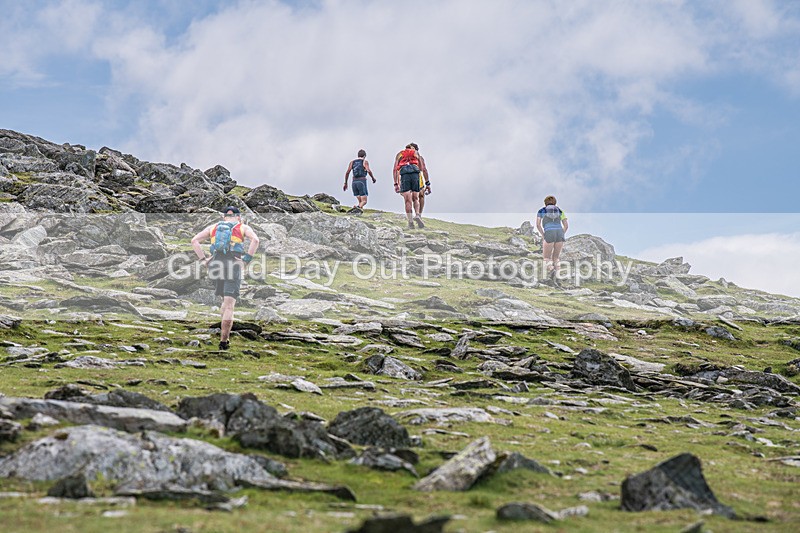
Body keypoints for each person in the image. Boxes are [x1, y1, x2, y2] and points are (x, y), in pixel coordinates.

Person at [191, 206, 260, 350]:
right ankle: (224, 341)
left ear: (224, 217)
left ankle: (223, 327)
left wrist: (203, 260)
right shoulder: (242, 227)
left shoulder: (213, 227)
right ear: (238, 217)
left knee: (224, 299)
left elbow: (194, 241)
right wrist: (246, 260)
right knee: (229, 305)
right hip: (233, 265)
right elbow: (255, 240)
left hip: (215, 265)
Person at [393, 143, 429, 229]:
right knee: (416, 198)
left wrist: (396, 183)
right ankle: (417, 215)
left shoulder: (400, 154)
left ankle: (410, 222)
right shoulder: (416, 153)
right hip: (415, 175)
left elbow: (395, 169)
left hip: (404, 175)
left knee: (407, 201)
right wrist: (427, 182)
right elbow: (422, 168)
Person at [536, 195, 569, 282]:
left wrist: (543, 234)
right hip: (559, 232)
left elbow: (538, 224)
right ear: (555, 203)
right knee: (556, 258)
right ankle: (558, 276)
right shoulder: (560, 211)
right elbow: (566, 226)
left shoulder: (542, 210)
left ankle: (551, 270)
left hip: (549, 231)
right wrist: (561, 234)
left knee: (546, 258)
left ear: (545, 203)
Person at [343, 149, 376, 214]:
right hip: (362, 181)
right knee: (364, 201)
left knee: (360, 201)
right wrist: (373, 178)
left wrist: (345, 183)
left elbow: (347, 172)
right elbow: (368, 170)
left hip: (354, 182)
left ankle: (359, 213)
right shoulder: (365, 162)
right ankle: (355, 209)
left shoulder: (352, 162)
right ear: (364, 156)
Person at [409, 143, 431, 220]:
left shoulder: (420, 158)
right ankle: (416, 214)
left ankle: (418, 214)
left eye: (412, 148)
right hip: (410, 177)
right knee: (413, 197)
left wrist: (427, 183)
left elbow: (424, 169)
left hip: (418, 176)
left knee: (421, 195)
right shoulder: (405, 158)